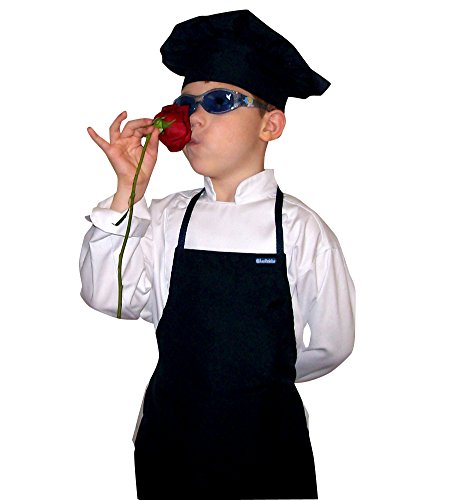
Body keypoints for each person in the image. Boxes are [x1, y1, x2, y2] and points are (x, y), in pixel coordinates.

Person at [80, 9, 355, 500]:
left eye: (220, 101)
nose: (195, 117)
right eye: (185, 105)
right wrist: (128, 193)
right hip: (170, 447)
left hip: (270, 452)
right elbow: (110, 298)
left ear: (271, 124)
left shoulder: (299, 230)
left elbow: (333, 343)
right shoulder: (166, 218)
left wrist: (255, 385)